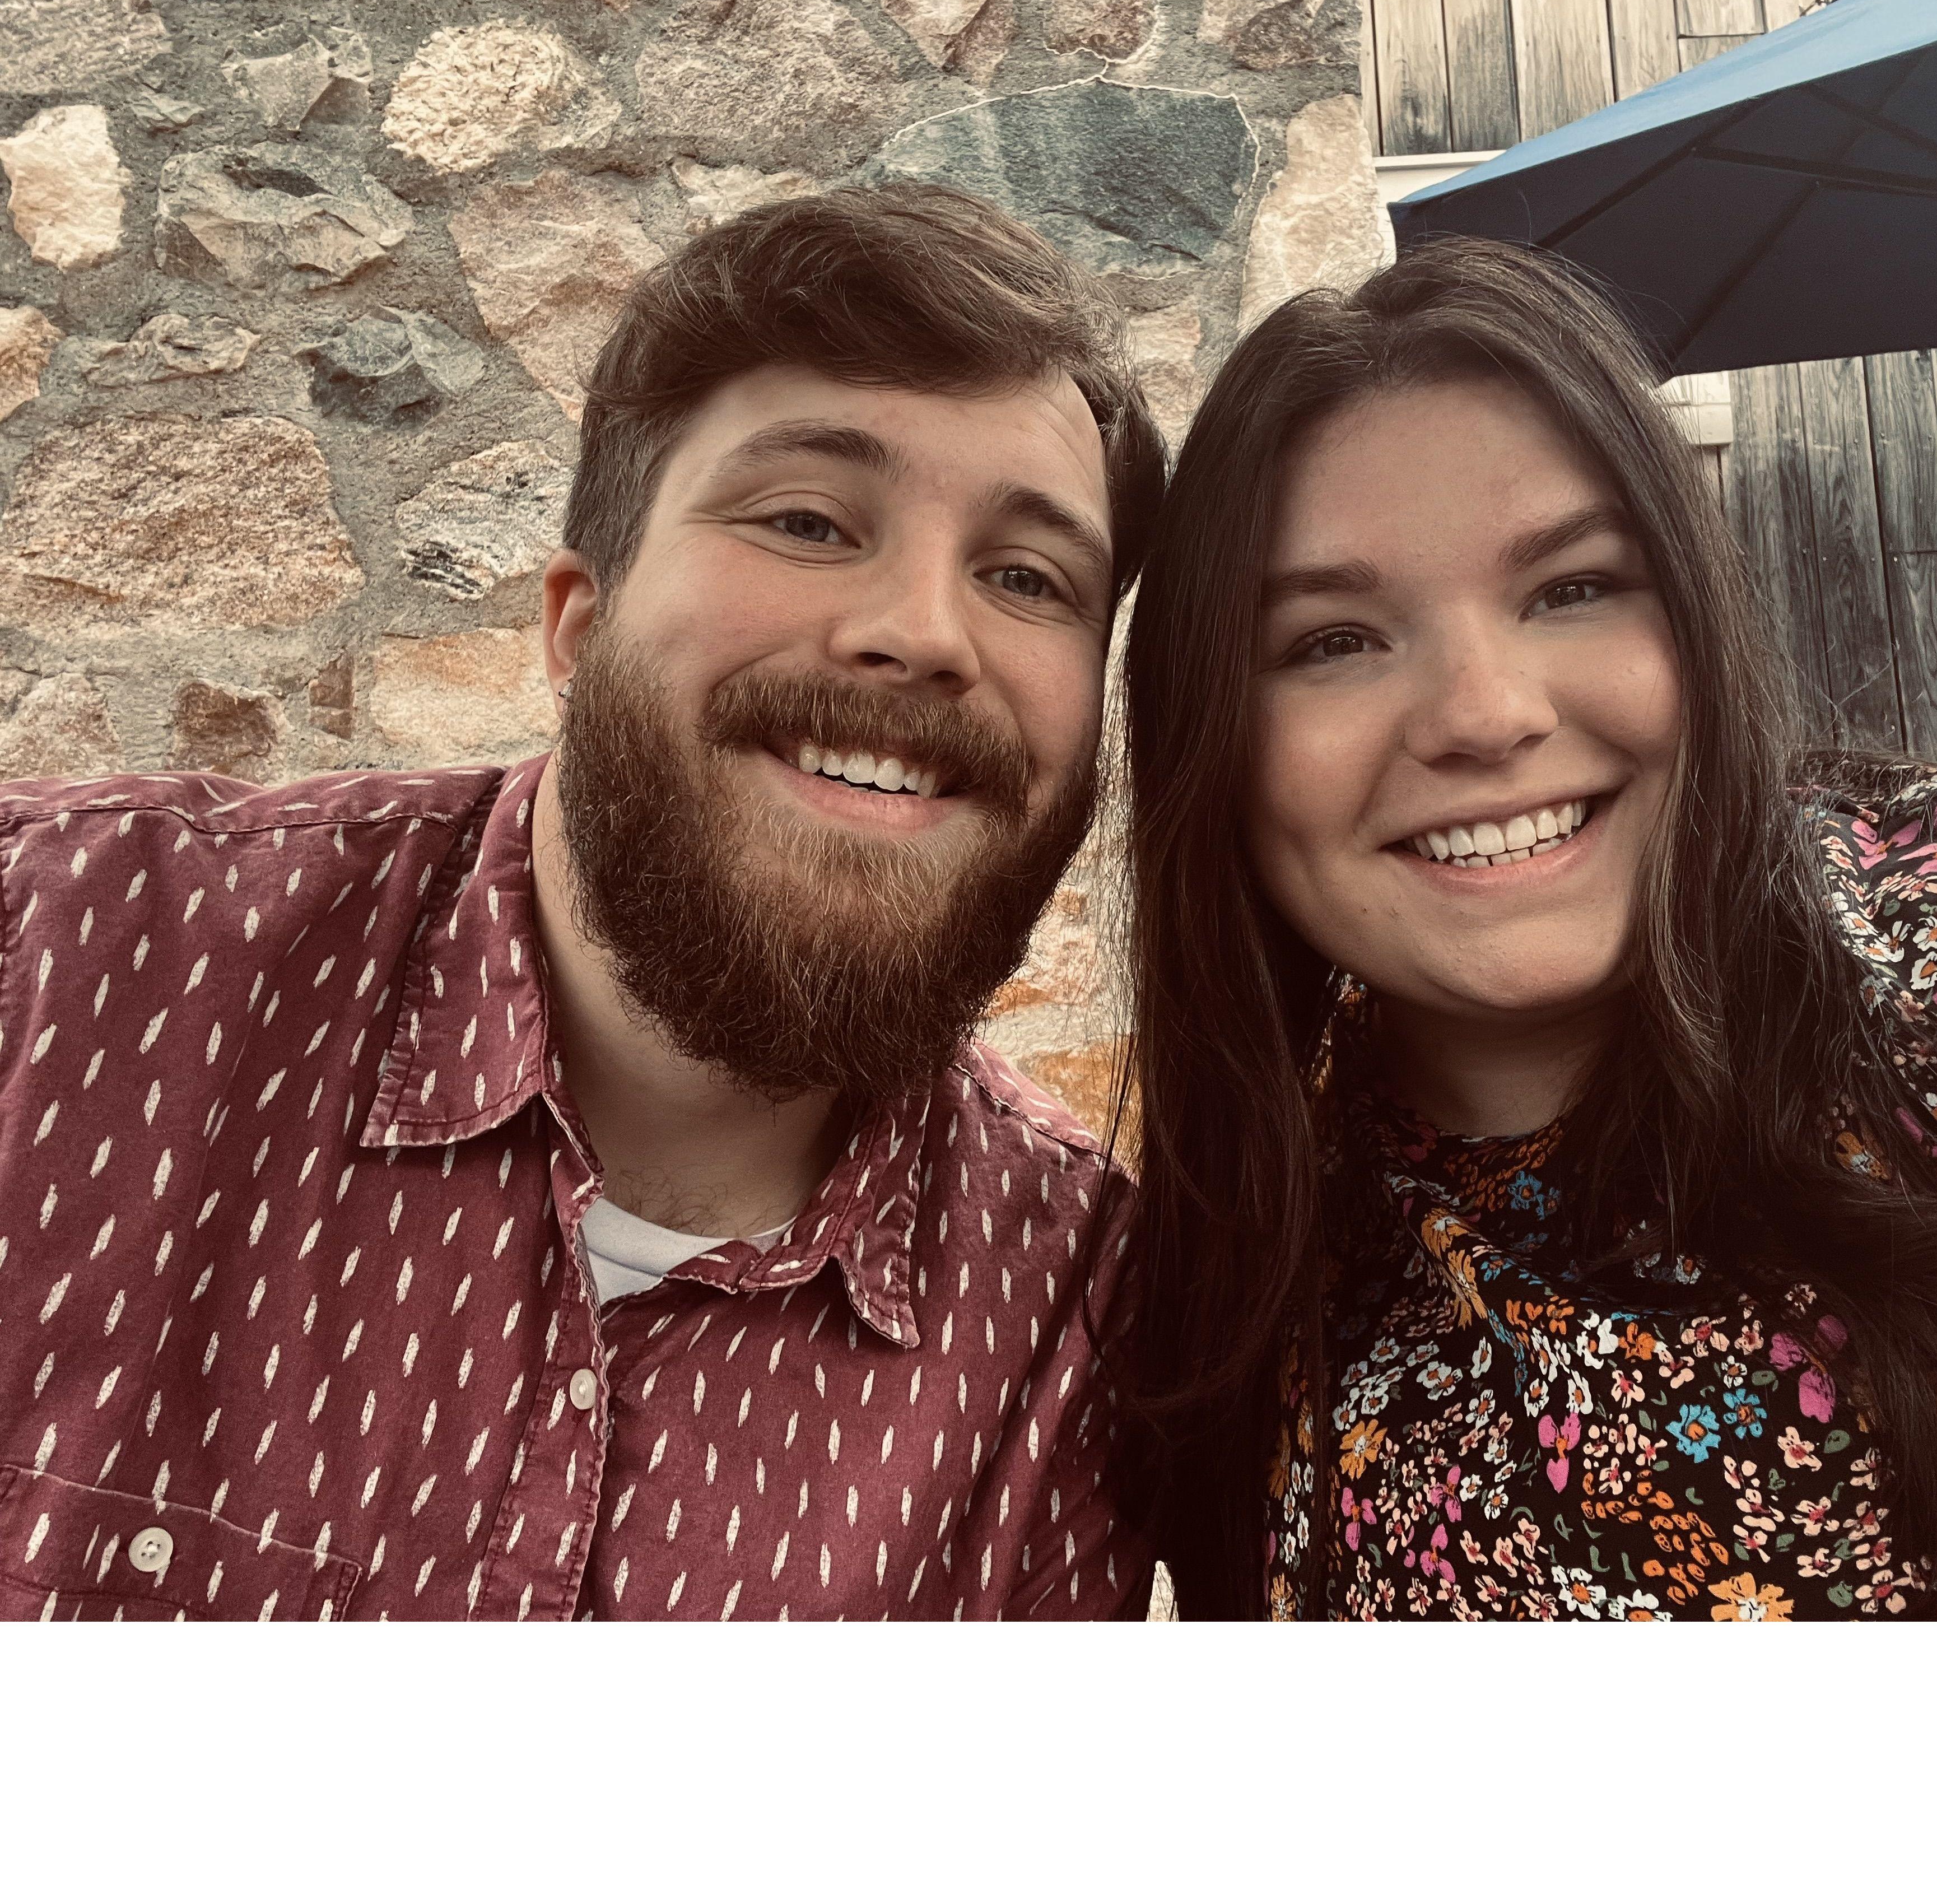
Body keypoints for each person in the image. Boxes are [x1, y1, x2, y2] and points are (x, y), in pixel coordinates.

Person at [0, 183, 1165, 1621]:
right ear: (577, 624)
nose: (926, 632)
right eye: (808, 520)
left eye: (1028, 577)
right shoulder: (58, 963)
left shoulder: (1078, 1320)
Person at [1114, 236, 1937, 1620]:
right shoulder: (1221, 1279)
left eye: (1572, 588)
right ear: (1212, 746)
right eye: (1333, 641)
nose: (1487, 714)